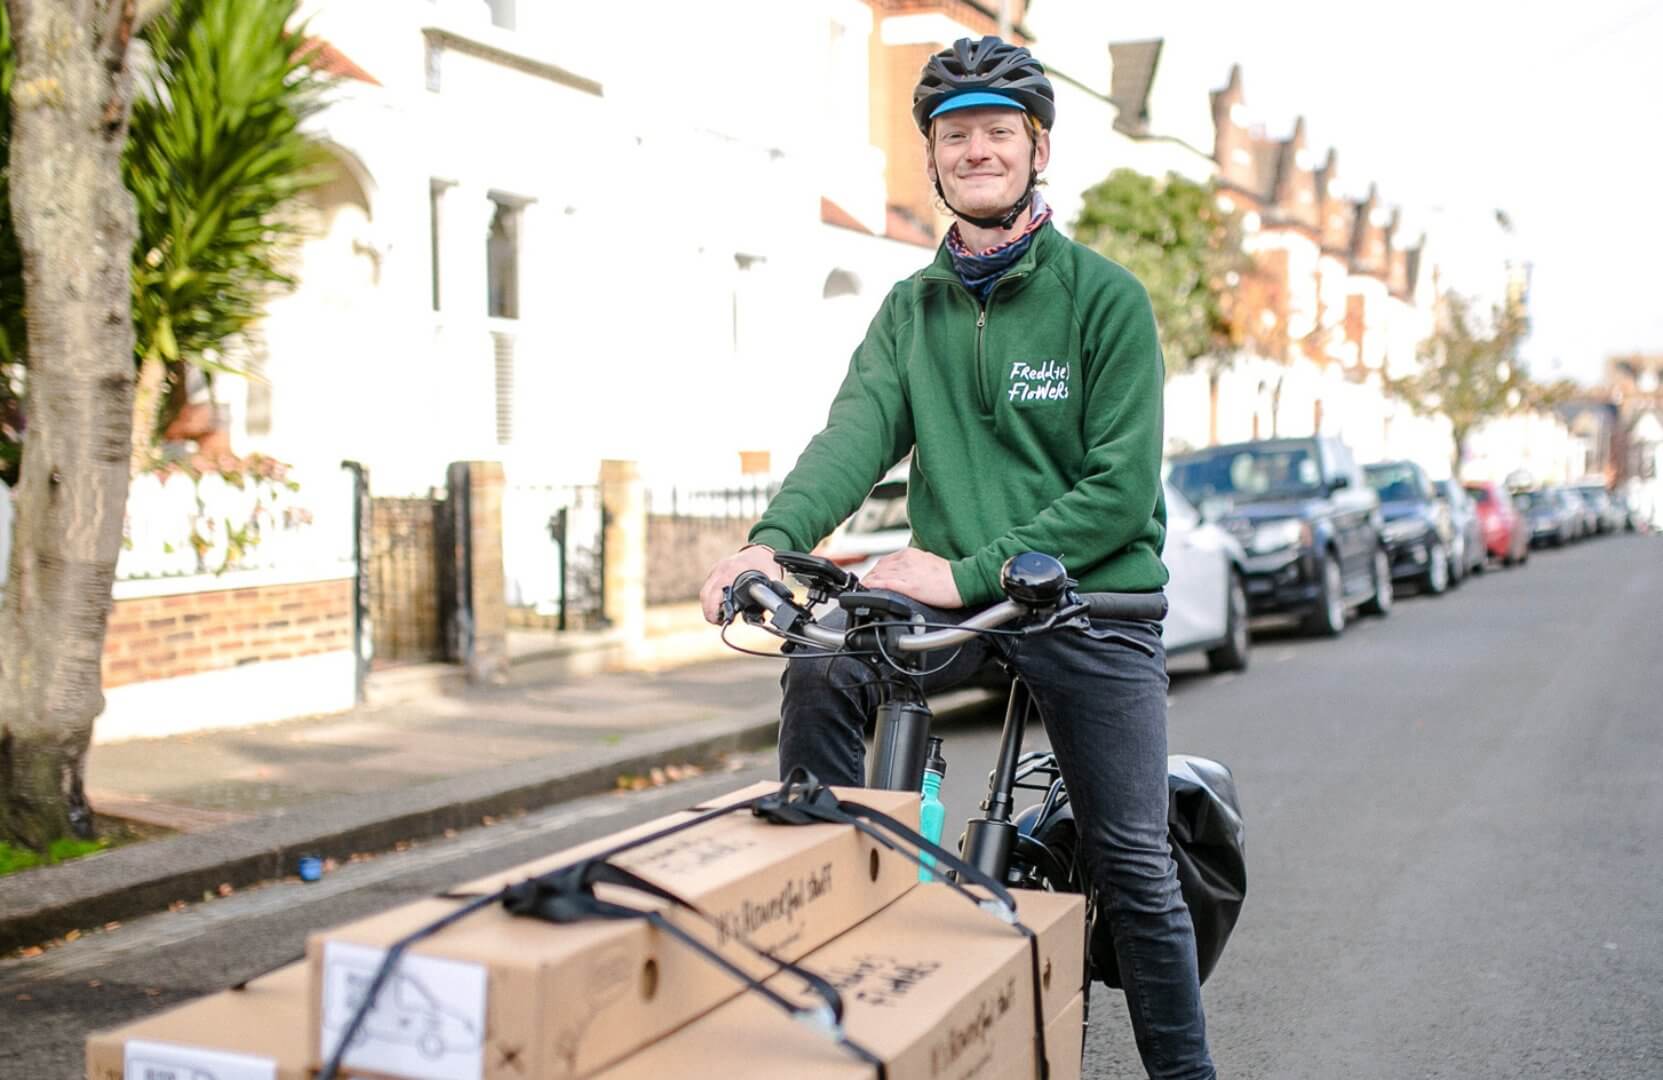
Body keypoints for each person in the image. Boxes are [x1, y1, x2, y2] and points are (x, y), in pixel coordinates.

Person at [698, 36, 1214, 1079]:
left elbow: (1117, 490)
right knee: (828, 659)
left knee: (1128, 859)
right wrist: (769, 542)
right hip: (959, 605)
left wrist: (967, 570)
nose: (977, 151)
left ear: (1037, 151)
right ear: (933, 160)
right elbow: (854, 435)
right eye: (955, 136)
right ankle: (829, 902)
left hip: (1089, 608)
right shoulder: (911, 310)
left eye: (997, 134)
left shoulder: (1101, 298)